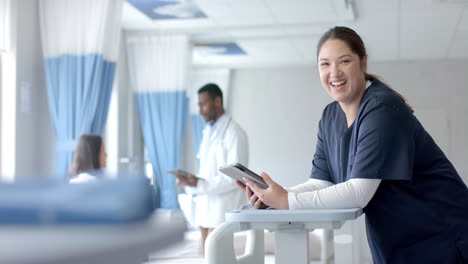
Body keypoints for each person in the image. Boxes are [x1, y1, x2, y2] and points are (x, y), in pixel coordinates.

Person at [236, 26, 468, 263]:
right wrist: (274, 195)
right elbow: (320, 183)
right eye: (325, 64)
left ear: (363, 63)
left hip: (443, 233)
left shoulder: (382, 107)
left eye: (344, 61)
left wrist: (286, 201)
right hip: (398, 239)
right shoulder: (329, 117)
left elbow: (358, 192)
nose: (334, 72)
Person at [176, 83, 249, 255]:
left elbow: (234, 178)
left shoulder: (234, 133)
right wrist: (193, 182)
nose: (200, 110)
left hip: (221, 210)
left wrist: (201, 185)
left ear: (217, 101)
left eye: (203, 104)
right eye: (199, 105)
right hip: (205, 209)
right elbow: (208, 171)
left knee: (219, 258)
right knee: (205, 256)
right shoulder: (208, 132)